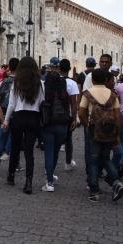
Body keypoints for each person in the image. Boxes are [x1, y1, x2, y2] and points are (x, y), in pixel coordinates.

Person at [79, 69, 123, 202]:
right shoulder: (112, 95)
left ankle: (94, 191)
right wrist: (116, 134)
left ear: (92, 80)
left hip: (94, 130)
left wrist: (86, 125)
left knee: (94, 160)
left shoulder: (88, 93)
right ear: (105, 80)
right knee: (105, 158)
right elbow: (117, 116)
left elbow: (81, 112)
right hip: (109, 131)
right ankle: (116, 182)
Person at [3, 56, 43, 194]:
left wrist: (6, 120)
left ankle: (11, 175)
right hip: (34, 117)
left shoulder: (17, 83)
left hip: (19, 117)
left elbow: (11, 105)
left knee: (15, 147)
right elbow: (42, 103)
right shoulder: (40, 83)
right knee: (29, 151)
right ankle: (28, 182)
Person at [40, 58, 75, 192]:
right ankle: (51, 176)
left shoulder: (45, 90)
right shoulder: (63, 93)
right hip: (62, 125)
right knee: (55, 152)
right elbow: (71, 107)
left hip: (49, 124)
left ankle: (49, 182)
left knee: (49, 152)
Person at [0, 57, 18, 175]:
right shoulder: (20, 82)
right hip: (15, 113)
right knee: (15, 138)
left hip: (3, 111)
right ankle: (15, 163)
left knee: (2, 137)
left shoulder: (3, 82)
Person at [58, 58, 80, 171]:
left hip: (54, 114)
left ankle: (51, 165)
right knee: (68, 139)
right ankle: (68, 162)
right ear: (69, 69)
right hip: (67, 115)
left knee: (55, 139)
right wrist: (75, 118)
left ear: (58, 68)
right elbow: (73, 103)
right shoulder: (72, 83)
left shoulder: (53, 81)